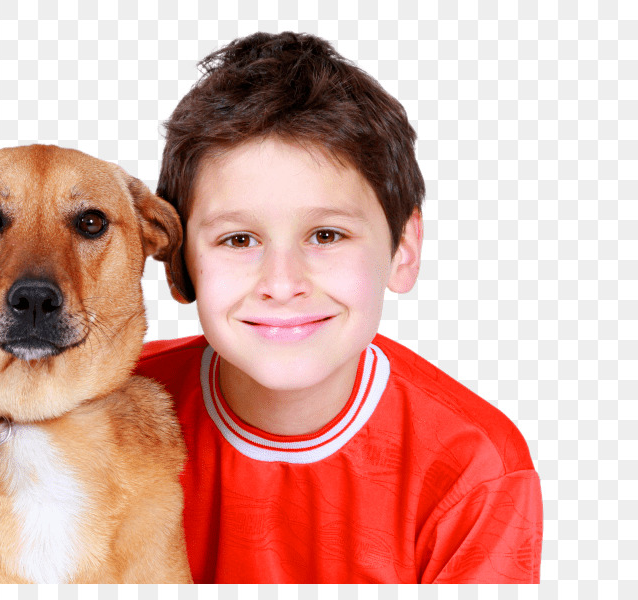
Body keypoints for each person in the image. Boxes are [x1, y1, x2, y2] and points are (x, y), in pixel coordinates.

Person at [135, 31, 542, 584]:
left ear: (404, 248)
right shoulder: (109, 408)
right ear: (179, 262)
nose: (282, 284)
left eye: (326, 235)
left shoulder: (473, 469)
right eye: (238, 240)